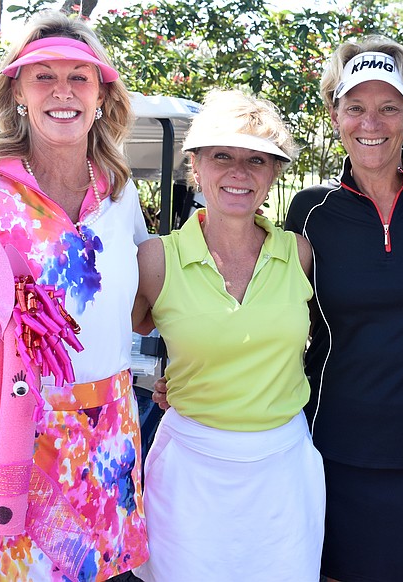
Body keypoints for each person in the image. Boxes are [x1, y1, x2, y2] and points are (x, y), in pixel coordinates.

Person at [0, 11, 148, 581]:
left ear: (101, 94)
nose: (62, 92)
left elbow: (141, 309)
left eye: (79, 77)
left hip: (110, 436)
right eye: (42, 76)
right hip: (11, 440)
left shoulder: (119, 193)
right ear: (17, 90)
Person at [283, 36, 403, 582]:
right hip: (337, 445)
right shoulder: (309, 212)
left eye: (389, 107)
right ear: (335, 114)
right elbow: (273, 314)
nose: (373, 122)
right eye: (356, 107)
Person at [131, 89, 324, 582]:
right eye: (222, 156)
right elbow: (113, 339)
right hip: (189, 471)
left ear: (273, 173)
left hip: (283, 469)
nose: (239, 173)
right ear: (196, 166)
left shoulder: (300, 253)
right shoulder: (157, 259)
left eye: (256, 160)